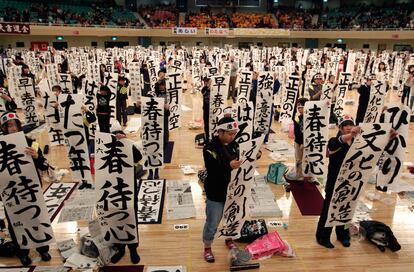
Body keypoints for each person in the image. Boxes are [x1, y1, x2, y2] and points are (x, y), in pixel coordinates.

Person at [0, 112, 51, 266]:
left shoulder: (31, 142)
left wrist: (37, 157)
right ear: (3, 128)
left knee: (37, 217)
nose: (13, 129)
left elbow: (44, 165)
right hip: (10, 193)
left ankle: (43, 248)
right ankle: (22, 252)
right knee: (15, 222)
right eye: (9, 126)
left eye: (15, 125)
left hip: (30, 190)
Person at [202, 117, 241, 263]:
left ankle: (229, 238)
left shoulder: (234, 144)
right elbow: (213, 170)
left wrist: (254, 154)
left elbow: (243, 155)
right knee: (212, 222)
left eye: (235, 133)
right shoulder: (209, 148)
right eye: (230, 134)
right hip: (216, 191)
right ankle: (207, 247)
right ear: (220, 131)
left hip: (233, 190)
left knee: (232, 218)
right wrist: (229, 165)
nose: (233, 136)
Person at [287, 98, 308, 183]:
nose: (300, 109)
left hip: (307, 142)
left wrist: (304, 142)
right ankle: (299, 176)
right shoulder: (297, 117)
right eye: (298, 107)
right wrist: (300, 142)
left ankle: (311, 176)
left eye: (302, 107)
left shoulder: (310, 117)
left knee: (309, 159)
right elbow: (298, 132)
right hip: (298, 141)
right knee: (298, 159)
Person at [201, 77, 211, 144]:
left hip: (213, 110)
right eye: (208, 82)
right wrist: (207, 88)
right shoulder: (205, 89)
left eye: (210, 82)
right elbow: (202, 92)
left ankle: (211, 138)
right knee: (206, 124)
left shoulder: (216, 89)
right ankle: (207, 138)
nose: (209, 84)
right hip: (206, 109)